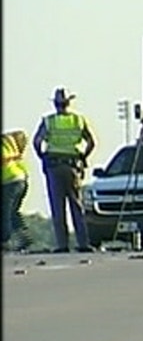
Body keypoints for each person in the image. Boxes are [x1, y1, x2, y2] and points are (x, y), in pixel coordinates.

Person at [32, 87, 96, 253]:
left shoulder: (49, 121)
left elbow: (37, 141)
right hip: (72, 166)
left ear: (55, 104)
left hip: (54, 166)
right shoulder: (78, 120)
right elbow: (91, 142)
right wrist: (83, 157)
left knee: (57, 207)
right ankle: (83, 243)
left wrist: (43, 157)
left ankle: (62, 245)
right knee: (76, 205)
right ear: (69, 102)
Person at [2, 129, 32, 251]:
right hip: (20, 179)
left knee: (5, 212)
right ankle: (24, 239)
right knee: (13, 212)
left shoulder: (4, 144)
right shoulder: (10, 144)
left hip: (9, 180)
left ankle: (4, 241)